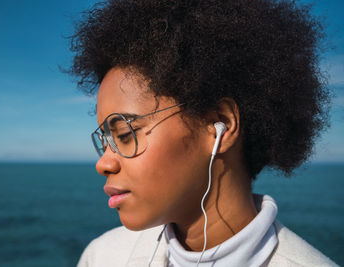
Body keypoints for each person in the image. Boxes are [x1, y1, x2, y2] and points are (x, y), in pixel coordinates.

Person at [69, 0, 337, 266]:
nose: (103, 163)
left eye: (126, 134)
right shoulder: (102, 256)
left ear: (220, 124)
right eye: (106, 140)